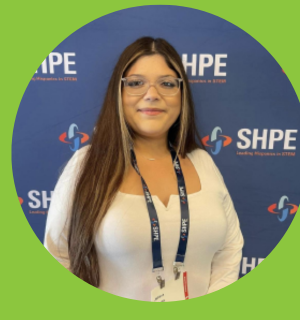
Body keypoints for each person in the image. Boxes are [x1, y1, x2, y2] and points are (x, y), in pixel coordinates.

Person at [44, 37, 244, 301]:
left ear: (181, 95)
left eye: (167, 83)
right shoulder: (86, 164)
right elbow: (58, 257)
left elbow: (229, 251)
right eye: (136, 83)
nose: (152, 94)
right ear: (119, 93)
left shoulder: (202, 162)